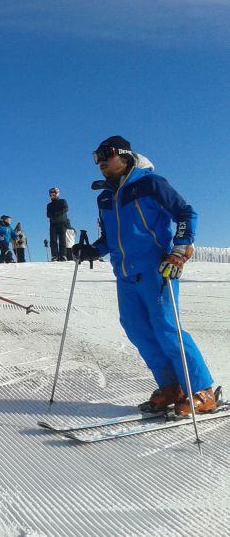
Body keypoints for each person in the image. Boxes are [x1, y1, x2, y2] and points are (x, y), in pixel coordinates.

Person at [72, 135, 217, 416]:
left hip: (157, 270)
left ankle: (201, 390)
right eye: (96, 157)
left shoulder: (151, 184)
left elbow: (186, 213)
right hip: (125, 274)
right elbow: (110, 238)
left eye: (106, 154)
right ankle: (171, 386)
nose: (100, 161)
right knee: (136, 329)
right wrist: (92, 250)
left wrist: (180, 248)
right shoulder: (104, 197)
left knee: (166, 330)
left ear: (124, 155)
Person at [47, 187, 70, 261]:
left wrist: (57, 213)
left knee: (62, 239)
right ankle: (55, 255)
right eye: (51, 195)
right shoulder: (49, 205)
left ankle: (63, 255)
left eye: (53, 194)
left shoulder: (62, 201)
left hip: (62, 223)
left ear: (57, 194)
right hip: (53, 224)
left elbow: (65, 208)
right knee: (53, 240)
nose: (52, 196)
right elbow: (48, 214)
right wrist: (52, 214)